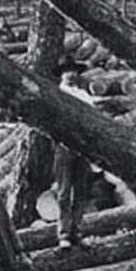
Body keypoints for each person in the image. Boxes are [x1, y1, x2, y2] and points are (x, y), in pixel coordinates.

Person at [50, 60, 96, 247]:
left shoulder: (84, 95)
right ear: (61, 74)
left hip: (83, 146)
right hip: (64, 146)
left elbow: (93, 118)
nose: (71, 74)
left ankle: (76, 230)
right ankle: (63, 233)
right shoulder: (56, 94)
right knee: (63, 192)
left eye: (74, 71)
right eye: (67, 71)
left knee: (80, 192)